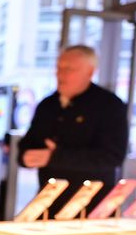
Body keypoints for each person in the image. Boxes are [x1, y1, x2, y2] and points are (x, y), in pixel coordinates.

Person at [18, 45, 128, 217]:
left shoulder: (109, 106)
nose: (61, 74)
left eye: (69, 69)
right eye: (59, 67)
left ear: (90, 72)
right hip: (49, 204)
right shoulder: (48, 105)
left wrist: (55, 157)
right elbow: (29, 143)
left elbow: (112, 157)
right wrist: (25, 157)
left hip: (92, 207)